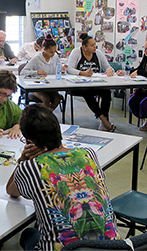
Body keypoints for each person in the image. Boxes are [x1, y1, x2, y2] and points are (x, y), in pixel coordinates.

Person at [6, 104, 120, 250]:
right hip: (112, 246)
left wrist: (23, 160)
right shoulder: (88, 153)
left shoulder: (30, 167)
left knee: (28, 234)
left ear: (30, 142)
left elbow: (11, 191)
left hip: (65, 248)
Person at [67, 34, 118, 132]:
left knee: (107, 92)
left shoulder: (98, 53)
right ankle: (104, 120)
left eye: (95, 44)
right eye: (92, 45)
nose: (95, 47)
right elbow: (69, 69)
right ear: (84, 47)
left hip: (96, 84)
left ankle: (104, 122)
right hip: (79, 86)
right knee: (88, 93)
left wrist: (109, 70)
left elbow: (108, 66)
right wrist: (82, 73)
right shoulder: (76, 52)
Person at [21, 34, 66, 111]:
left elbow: (58, 70)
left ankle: (47, 115)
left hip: (51, 86)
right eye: (51, 52)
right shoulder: (37, 58)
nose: (53, 54)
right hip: (37, 87)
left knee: (57, 99)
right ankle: (44, 117)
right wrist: (37, 72)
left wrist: (62, 70)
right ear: (44, 49)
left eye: (54, 51)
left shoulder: (55, 57)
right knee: (46, 100)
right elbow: (23, 72)